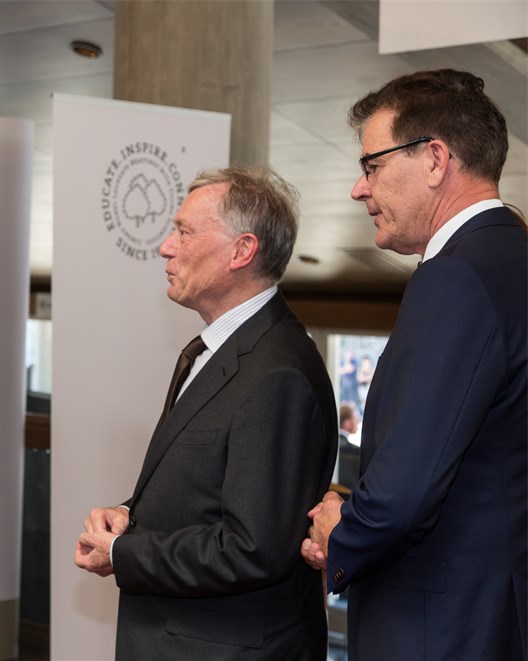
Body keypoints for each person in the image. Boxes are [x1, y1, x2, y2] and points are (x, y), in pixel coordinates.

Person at [301, 69, 527, 660]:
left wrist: (342, 530)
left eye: (371, 166)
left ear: (434, 159)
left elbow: (406, 489)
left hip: (442, 629)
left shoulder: (455, 275)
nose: (358, 188)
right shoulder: (511, 258)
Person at [75, 167, 338, 659]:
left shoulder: (276, 372)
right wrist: (130, 514)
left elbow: (253, 547)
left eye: (184, 231)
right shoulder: (219, 349)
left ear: (242, 251)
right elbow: (203, 490)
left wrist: (121, 553)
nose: (165, 247)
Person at [336, 402, 360, 491]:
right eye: (355, 418)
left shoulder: (333, 447)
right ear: (347, 423)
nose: (357, 422)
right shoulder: (356, 452)